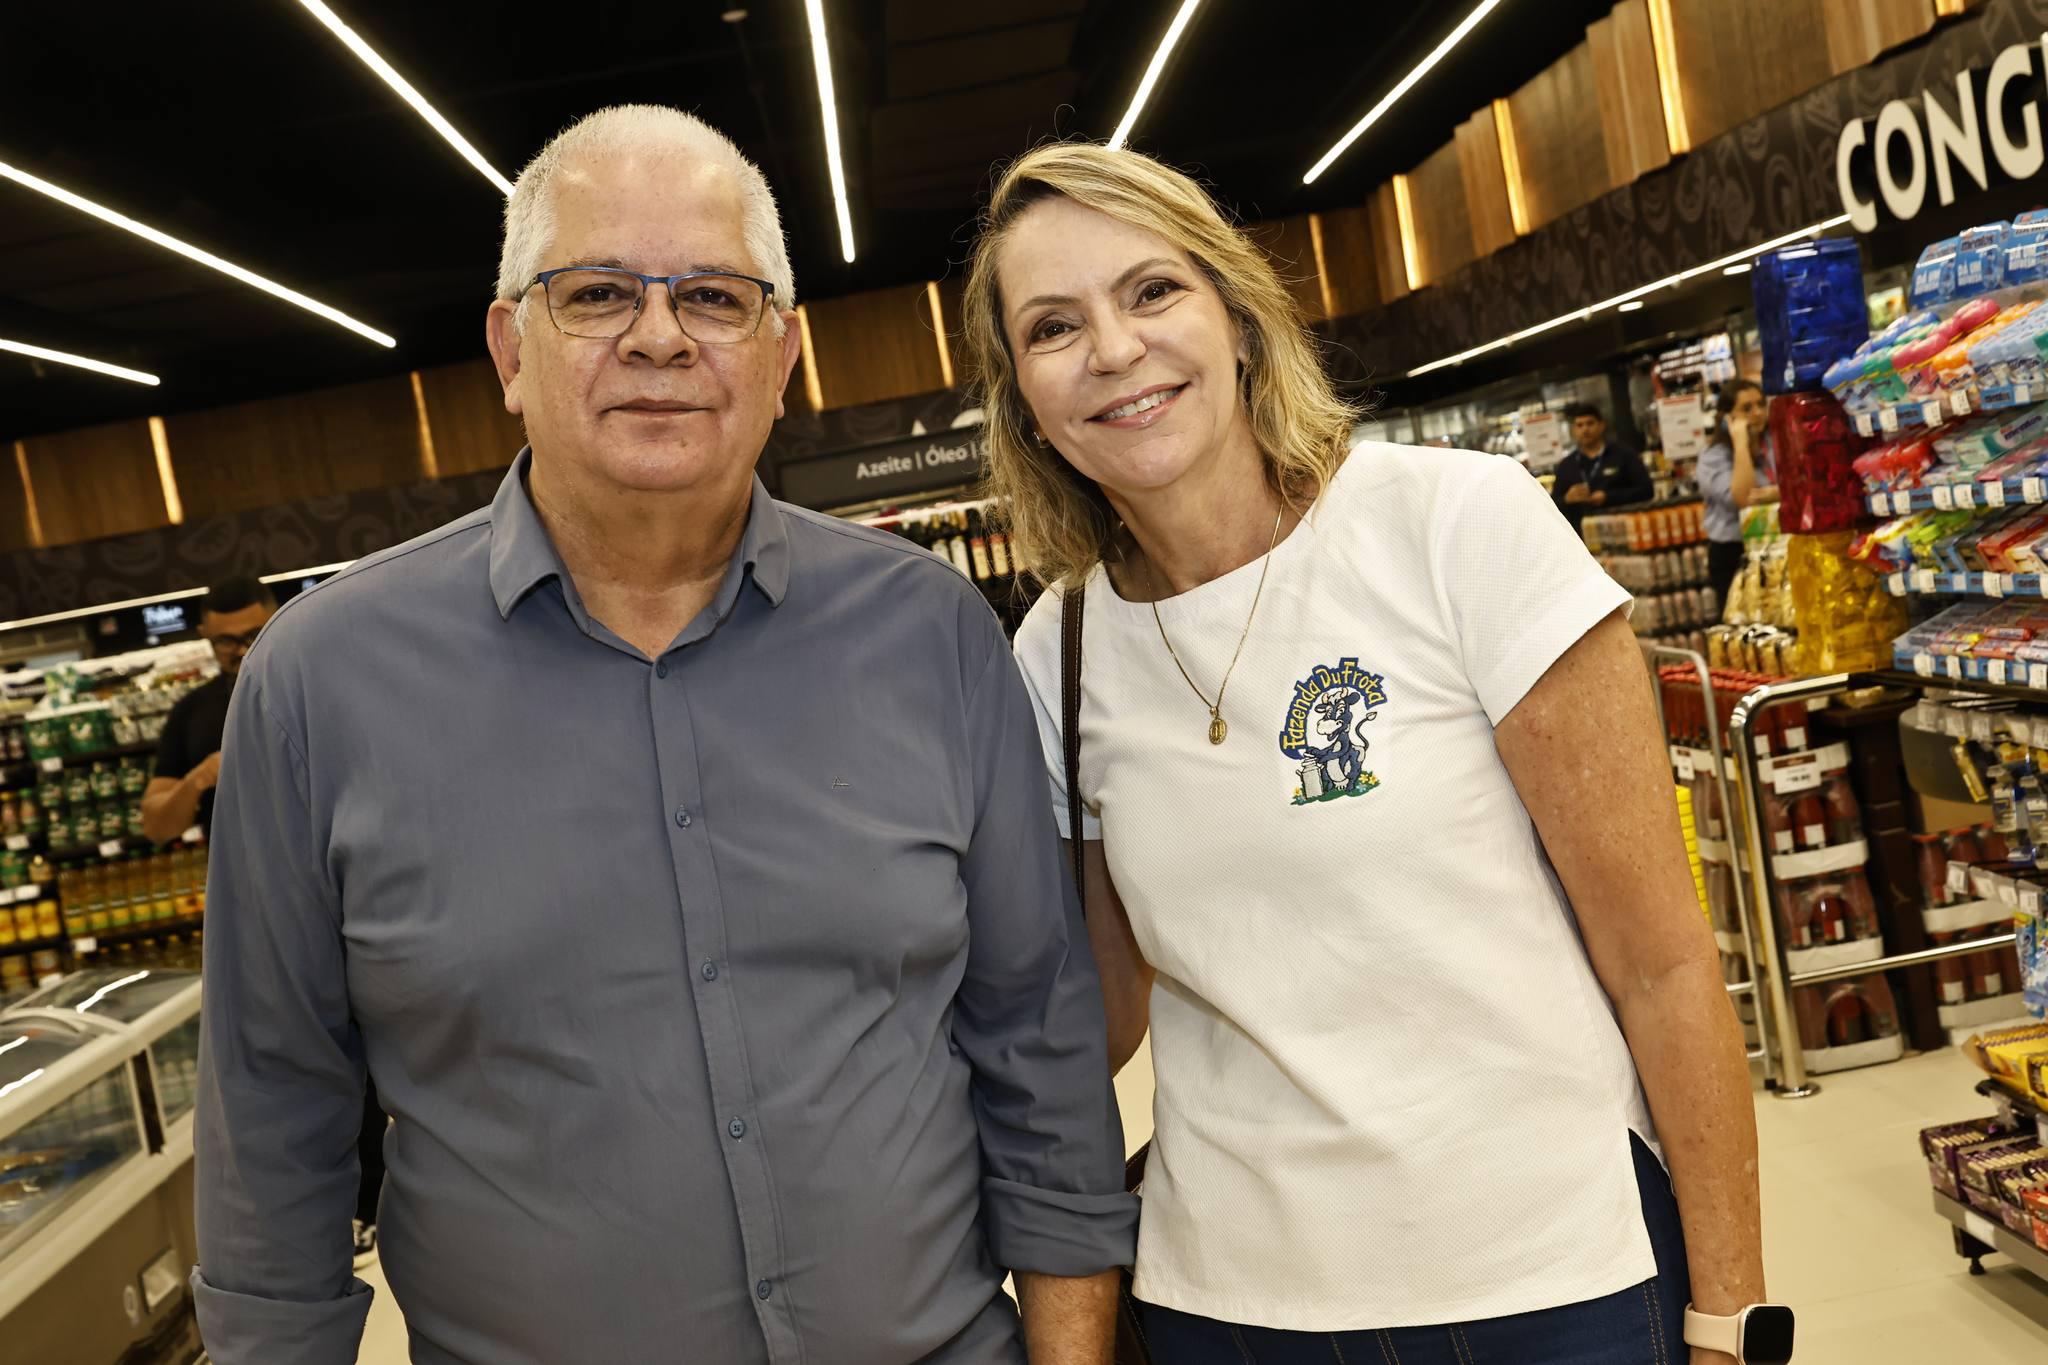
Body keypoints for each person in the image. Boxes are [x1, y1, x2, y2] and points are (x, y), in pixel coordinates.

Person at [192, 106, 1136, 1365]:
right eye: (594, 293)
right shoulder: (322, 682)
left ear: (782, 355)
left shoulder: (929, 632)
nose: (657, 336)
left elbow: (1035, 1033)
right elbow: (273, 1112)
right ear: (509, 349)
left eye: (712, 296)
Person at [965, 143, 1778, 1363]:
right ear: (1022, 397)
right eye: (1052, 326)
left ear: (1237, 320)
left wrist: (1730, 1315)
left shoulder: (1453, 529)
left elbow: (1661, 966)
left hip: (1552, 1276)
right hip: (1232, 1307)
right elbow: (1096, 1015)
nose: (1114, 349)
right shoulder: (1059, 649)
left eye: (1151, 291)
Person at [139, 576, 275, 845]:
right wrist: (197, 780)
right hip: (241, 865)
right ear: (205, 635)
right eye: (226, 641)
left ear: (277, 622)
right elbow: (156, 827)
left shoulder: (313, 687)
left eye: (254, 636)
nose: (243, 651)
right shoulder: (190, 711)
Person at [1697, 378, 1774, 609]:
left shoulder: (1773, 442)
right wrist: (1740, 443)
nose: (1757, 413)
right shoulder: (1713, 456)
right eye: (1747, 408)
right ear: (1727, 417)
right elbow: (1744, 498)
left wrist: (1775, 494)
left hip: (1775, 545)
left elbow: (1798, 485)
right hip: (1734, 552)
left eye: (1760, 404)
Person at [1550, 401, 1654, 532]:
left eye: (1590, 423)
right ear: (1573, 431)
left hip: (1625, 530)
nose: (1585, 429)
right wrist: (1567, 499)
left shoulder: (1624, 455)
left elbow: (1647, 490)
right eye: (1579, 425)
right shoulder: (1566, 465)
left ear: (1601, 426)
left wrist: (1608, 497)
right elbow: (1551, 506)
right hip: (1582, 535)